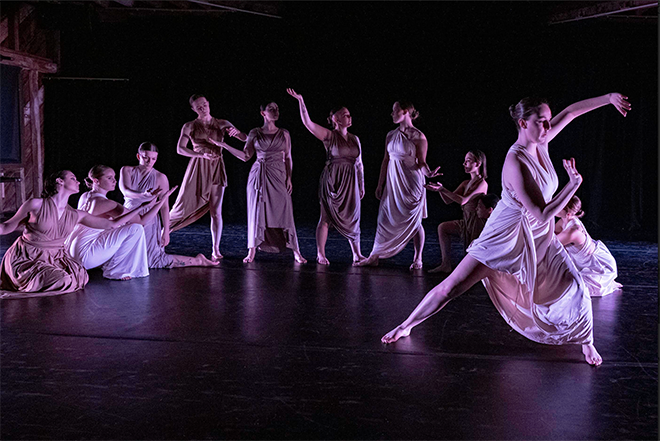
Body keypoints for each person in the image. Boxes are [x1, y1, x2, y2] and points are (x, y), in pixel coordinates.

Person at [382, 92, 631, 366]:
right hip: (504, 236)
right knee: (451, 288)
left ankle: (586, 342)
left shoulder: (543, 141)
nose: (548, 127)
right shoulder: (516, 161)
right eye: (541, 122)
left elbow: (571, 112)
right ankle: (406, 325)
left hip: (539, 236)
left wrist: (608, 99)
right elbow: (542, 211)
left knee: (576, 286)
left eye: (548, 121)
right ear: (523, 123)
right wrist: (572, 185)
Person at [0, 170, 156, 298]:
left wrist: (142, 207)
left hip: (55, 257)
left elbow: (113, 224)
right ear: (60, 181)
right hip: (29, 258)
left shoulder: (76, 214)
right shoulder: (35, 204)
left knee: (81, 276)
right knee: (63, 279)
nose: (78, 181)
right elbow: (6, 227)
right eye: (73, 178)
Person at [356, 101, 441, 270]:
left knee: (415, 222)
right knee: (383, 217)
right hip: (393, 182)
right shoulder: (390, 135)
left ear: (404, 112)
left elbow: (422, 163)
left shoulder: (419, 137)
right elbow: (386, 160)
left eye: (394, 111)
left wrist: (429, 173)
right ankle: (375, 255)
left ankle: (418, 258)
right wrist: (380, 184)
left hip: (411, 182)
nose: (391, 114)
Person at [287, 88, 365, 265]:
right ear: (336, 119)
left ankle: (357, 254)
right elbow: (308, 123)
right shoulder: (329, 136)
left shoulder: (355, 139)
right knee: (326, 218)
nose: (349, 117)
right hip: (333, 181)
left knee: (354, 217)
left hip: (351, 181)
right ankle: (320, 253)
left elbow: (359, 163)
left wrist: (361, 184)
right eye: (345, 115)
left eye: (349, 114)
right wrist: (301, 101)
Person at [221, 102, 307, 264]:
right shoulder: (255, 133)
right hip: (259, 174)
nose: (275, 111)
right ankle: (251, 251)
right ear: (263, 113)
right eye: (271, 109)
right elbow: (246, 156)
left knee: (285, 211)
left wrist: (289, 177)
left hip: (279, 173)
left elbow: (288, 157)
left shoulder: (284, 134)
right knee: (257, 211)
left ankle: (296, 250)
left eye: (277, 108)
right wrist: (225, 145)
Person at [169, 94, 248, 261]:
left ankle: (215, 248)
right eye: (199, 107)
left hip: (217, 167)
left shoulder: (222, 123)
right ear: (194, 109)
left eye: (204, 104)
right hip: (198, 167)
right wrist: (200, 155)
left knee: (216, 211)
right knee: (183, 204)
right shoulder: (190, 126)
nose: (203, 108)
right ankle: (162, 232)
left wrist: (237, 133)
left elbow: (246, 139)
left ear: (209, 103)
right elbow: (180, 149)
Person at [66, 165, 178, 280]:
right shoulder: (108, 204)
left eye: (114, 177)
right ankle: (116, 271)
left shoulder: (85, 196)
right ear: (96, 181)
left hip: (72, 252)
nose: (114, 181)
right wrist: (162, 200)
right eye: (109, 178)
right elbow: (142, 221)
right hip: (85, 257)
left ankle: (105, 263)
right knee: (136, 229)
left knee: (118, 227)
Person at [120, 142, 217, 268]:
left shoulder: (160, 177)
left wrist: (166, 230)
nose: (150, 161)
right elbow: (126, 191)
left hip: (149, 219)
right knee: (124, 258)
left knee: (151, 261)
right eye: (146, 158)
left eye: (153, 159)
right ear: (138, 156)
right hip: (128, 216)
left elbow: (164, 207)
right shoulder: (127, 170)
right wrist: (143, 195)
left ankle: (198, 261)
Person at [426, 150, 488, 273]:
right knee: (443, 227)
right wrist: (440, 190)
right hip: (466, 221)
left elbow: (463, 200)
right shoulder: (466, 183)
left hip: (476, 223)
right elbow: (448, 200)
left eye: (468, 161)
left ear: (478, 163)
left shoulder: (482, 183)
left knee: (471, 257)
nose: (464, 163)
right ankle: (446, 264)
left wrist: (443, 189)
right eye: (465, 161)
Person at [556, 195, 622, 297]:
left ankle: (605, 282)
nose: (554, 207)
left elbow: (549, 243)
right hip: (588, 261)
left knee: (567, 289)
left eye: (559, 206)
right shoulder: (564, 220)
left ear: (568, 213)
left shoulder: (572, 232)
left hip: (595, 267)